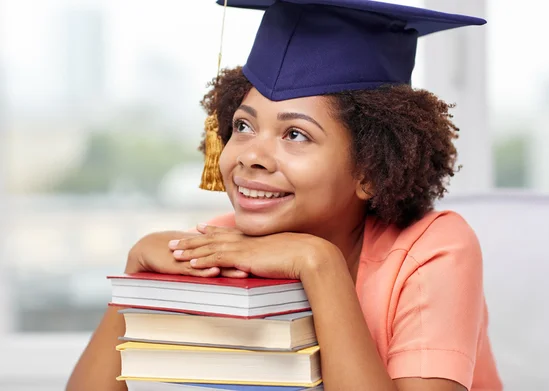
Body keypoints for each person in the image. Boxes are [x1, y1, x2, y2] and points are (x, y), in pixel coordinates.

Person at [67, 0, 503, 390]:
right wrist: (135, 283)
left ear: (370, 168)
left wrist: (318, 264)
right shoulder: (222, 244)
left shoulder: (433, 251)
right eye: (243, 126)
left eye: (295, 134)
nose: (251, 156)